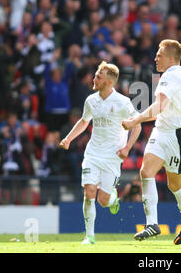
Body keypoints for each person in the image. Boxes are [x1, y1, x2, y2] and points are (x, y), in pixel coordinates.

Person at [122, 39, 181, 245]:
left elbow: (160, 105)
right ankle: (152, 224)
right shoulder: (176, 76)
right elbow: (162, 108)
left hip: (176, 136)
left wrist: (136, 119)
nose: (155, 57)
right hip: (162, 131)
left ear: (171, 58)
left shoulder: (171, 77)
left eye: (159, 54)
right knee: (146, 172)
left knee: (175, 184)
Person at [59, 61, 141, 245]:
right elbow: (83, 121)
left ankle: (113, 199)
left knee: (103, 200)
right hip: (93, 153)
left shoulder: (122, 102)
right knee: (89, 192)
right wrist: (68, 139)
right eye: (95, 75)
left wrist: (127, 147)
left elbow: (137, 126)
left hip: (112, 157)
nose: (94, 78)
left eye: (99, 76)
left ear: (109, 82)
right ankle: (89, 236)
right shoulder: (91, 100)